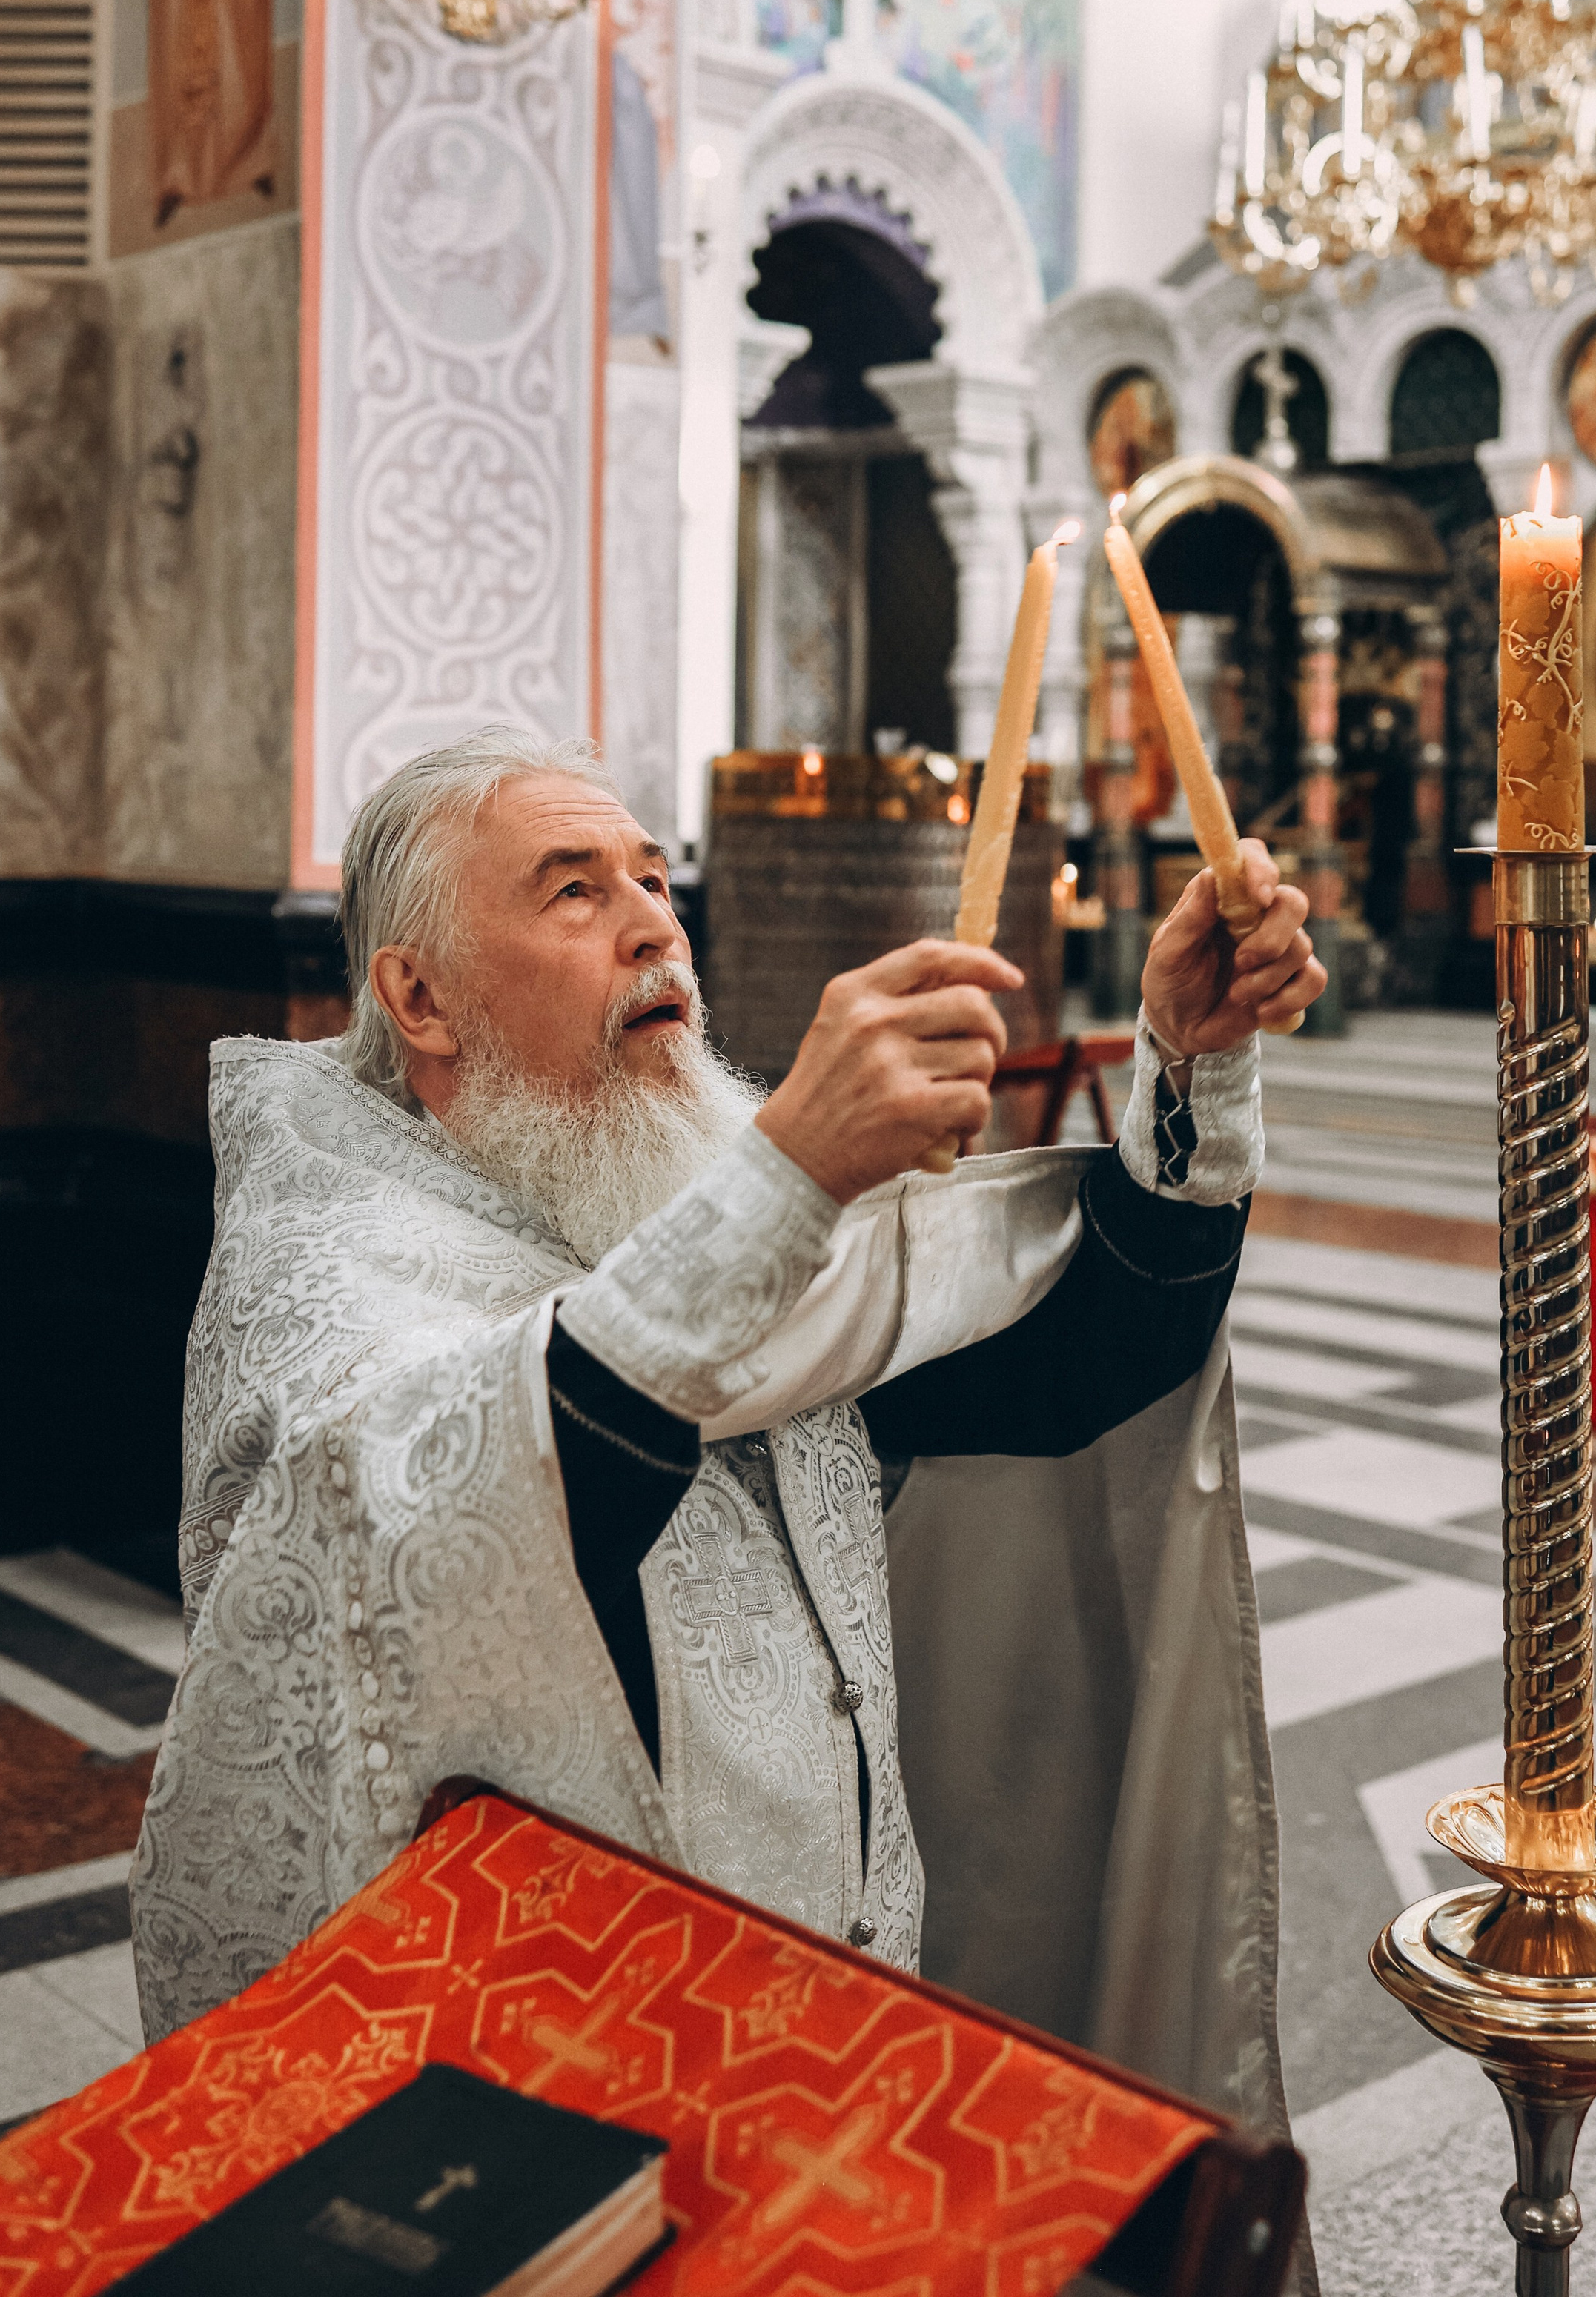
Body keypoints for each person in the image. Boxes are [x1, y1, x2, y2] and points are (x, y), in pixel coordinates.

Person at [130, 728, 1323, 2140]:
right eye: (574, 891)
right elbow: (450, 1525)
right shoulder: (336, 1270)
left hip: (828, 2042)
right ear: (421, 995)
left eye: (654, 877)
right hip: (535, 2109)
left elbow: (1081, 1363)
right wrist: (788, 1176)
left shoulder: (698, 1207)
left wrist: (1192, 1060)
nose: (652, 924)